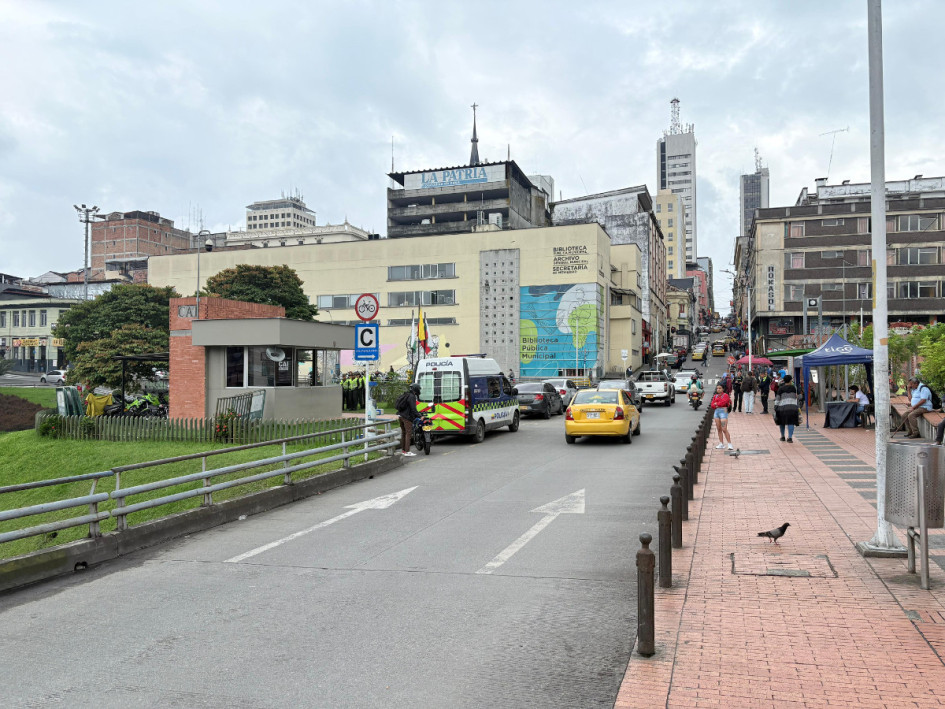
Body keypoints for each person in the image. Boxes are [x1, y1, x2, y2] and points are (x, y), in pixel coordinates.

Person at [774, 374, 800, 443]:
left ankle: (782, 436)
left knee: (782, 422)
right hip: (792, 408)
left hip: (782, 408)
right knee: (791, 422)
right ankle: (790, 438)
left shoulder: (781, 389)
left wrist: (776, 407)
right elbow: (796, 397)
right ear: (790, 380)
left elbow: (777, 399)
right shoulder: (794, 388)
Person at [397, 383, 421, 457]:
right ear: (416, 389)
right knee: (408, 433)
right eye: (419, 389)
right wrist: (420, 416)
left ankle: (403, 450)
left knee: (404, 433)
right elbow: (413, 409)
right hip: (407, 417)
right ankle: (407, 451)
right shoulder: (412, 397)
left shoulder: (406, 395)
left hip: (400, 416)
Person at [710, 384, 734, 450]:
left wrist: (716, 403)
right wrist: (717, 404)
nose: (718, 389)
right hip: (716, 413)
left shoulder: (725, 395)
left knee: (724, 428)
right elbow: (712, 405)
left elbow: (724, 402)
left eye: (720, 388)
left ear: (723, 389)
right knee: (719, 428)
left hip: (724, 412)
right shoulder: (715, 396)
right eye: (717, 388)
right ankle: (721, 443)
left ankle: (729, 444)